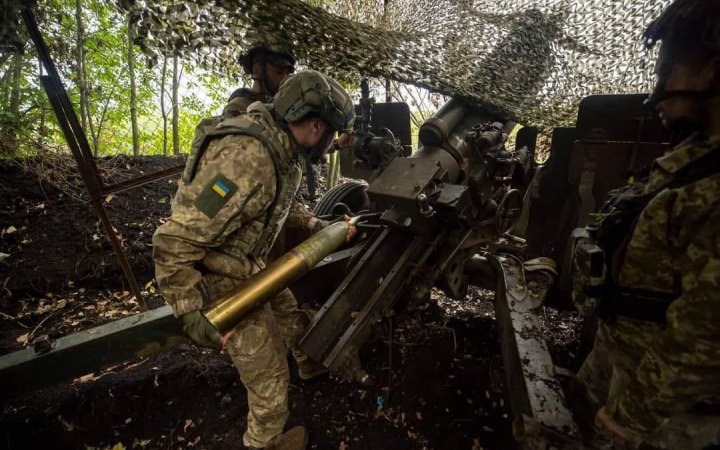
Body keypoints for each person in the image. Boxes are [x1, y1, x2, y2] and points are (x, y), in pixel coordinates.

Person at [152, 70, 356, 450]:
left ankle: (309, 363)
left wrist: (314, 223)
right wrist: (190, 311)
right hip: (218, 278)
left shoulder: (282, 149)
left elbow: (271, 205)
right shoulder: (247, 159)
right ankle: (265, 442)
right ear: (314, 126)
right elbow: (174, 239)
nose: (331, 144)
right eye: (331, 134)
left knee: (290, 316)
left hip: (249, 263)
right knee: (270, 380)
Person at [573, 0, 720, 448]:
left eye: (666, 73)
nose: (655, 94)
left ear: (713, 71)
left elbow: (707, 337)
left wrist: (632, 415)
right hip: (626, 359)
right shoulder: (694, 162)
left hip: (667, 409)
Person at [223, 35, 297, 119]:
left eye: (287, 74)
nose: (284, 78)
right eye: (279, 72)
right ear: (257, 70)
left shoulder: (283, 106)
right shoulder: (240, 103)